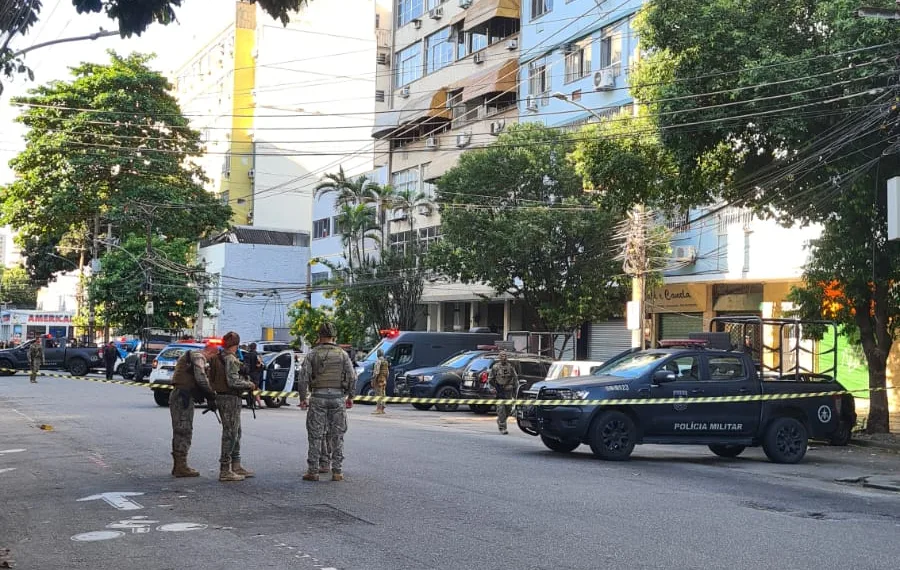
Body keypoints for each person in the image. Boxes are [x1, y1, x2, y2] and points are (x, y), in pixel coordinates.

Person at [297, 321, 356, 482]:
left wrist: (303, 398)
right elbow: (352, 377)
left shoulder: (312, 354)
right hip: (338, 398)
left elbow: (303, 379)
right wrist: (350, 397)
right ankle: (337, 471)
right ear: (334, 336)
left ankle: (313, 471)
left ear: (319, 336)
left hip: (318, 397)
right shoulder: (343, 354)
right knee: (337, 435)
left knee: (315, 435)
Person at [208, 331, 257, 482]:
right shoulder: (230, 359)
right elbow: (233, 381)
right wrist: (250, 384)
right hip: (230, 398)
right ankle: (225, 469)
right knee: (230, 433)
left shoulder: (217, 357)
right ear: (235, 345)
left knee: (236, 431)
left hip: (223, 396)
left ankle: (236, 465)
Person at [169, 340, 220, 477]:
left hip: (181, 395)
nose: (210, 361)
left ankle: (178, 466)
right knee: (184, 430)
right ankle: (181, 467)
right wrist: (211, 395)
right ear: (211, 352)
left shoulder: (192, 355)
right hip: (183, 396)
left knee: (180, 429)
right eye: (212, 357)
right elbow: (201, 378)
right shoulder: (199, 357)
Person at [488, 352, 518, 435]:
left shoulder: (510, 367)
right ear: (499, 357)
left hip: (508, 391)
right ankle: (502, 427)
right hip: (499, 391)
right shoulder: (495, 367)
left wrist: (515, 392)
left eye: (505, 356)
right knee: (501, 409)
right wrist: (492, 388)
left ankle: (501, 420)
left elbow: (515, 379)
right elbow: (490, 379)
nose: (504, 357)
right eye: (502, 356)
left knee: (508, 409)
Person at [245, 342, 264, 407]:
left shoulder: (247, 355)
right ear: (255, 347)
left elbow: (245, 365)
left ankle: (249, 403)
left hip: (248, 374)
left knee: (249, 389)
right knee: (255, 389)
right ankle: (253, 404)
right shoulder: (257, 355)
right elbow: (260, 364)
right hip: (256, 374)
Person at [371, 349, 390, 415]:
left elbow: (376, 372)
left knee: (378, 394)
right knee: (383, 393)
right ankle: (382, 409)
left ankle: (378, 409)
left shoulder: (378, 361)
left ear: (378, 354)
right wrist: (385, 378)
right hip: (384, 379)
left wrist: (373, 380)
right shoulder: (385, 362)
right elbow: (387, 372)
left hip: (379, 379)